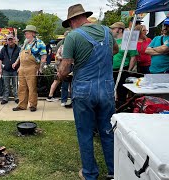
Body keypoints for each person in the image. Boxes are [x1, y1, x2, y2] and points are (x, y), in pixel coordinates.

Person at [58, 4, 119, 180]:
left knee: (85, 133)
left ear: (73, 20)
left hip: (84, 90)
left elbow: (64, 70)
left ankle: (90, 173)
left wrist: (61, 75)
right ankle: (115, 171)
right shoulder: (107, 32)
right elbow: (115, 50)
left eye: (69, 23)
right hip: (107, 88)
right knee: (108, 131)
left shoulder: (73, 36)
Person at [12, 25, 47, 112]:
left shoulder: (40, 43)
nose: (25, 34)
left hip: (32, 68)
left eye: (27, 33)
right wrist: (17, 64)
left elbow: (44, 57)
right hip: (22, 68)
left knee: (32, 88)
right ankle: (22, 105)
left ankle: (32, 105)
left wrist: (41, 69)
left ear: (33, 33)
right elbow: (20, 55)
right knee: (22, 87)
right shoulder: (25, 43)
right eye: (25, 33)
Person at [110, 22, 138, 104]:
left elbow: (133, 57)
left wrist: (128, 71)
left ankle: (121, 108)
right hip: (111, 69)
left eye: (113, 29)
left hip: (122, 70)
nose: (111, 31)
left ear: (119, 30)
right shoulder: (112, 41)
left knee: (121, 91)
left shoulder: (128, 41)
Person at [0, 34, 20, 105]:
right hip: (6, 70)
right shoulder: (3, 49)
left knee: (15, 84)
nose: (10, 41)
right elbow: (0, 59)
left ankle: (16, 97)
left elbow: (21, 59)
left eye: (11, 39)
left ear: (14, 40)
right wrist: (0, 68)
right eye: (9, 40)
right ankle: (5, 98)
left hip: (15, 70)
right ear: (7, 41)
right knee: (6, 85)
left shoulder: (18, 48)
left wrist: (19, 68)